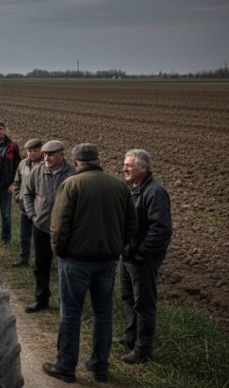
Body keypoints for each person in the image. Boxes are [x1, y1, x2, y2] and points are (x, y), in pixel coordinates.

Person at [42, 144, 137, 384]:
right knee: (103, 313)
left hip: (76, 260)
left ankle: (65, 367)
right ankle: (99, 366)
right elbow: (131, 223)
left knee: (70, 313)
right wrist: (118, 246)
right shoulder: (119, 186)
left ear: (75, 162)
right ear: (97, 160)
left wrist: (59, 251)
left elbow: (59, 225)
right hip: (108, 260)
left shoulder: (71, 184)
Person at [118, 149, 172, 364]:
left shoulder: (155, 192)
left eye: (129, 165)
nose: (124, 168)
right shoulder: (131, 188)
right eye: (125, 164)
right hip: (127, 255)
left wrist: (142, 251)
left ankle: (143, 350)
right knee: (128, 297)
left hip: (142, 259)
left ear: (143, 167)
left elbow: (161, 229)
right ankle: (130, 337)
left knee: (143, 304)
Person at [22, 140, 76, 313]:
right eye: (45, 154)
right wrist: (33, 216)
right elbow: (27, 194)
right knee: (41, 266)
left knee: (66, 267)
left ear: (61, 155)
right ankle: (41, 299)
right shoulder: (37, 171)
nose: (46, 158)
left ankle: (65, 302)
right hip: (42, 227)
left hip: (65, 229)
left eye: (51, 155)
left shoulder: (72, 173)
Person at [12, 138, 43, 267]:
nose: (31, 153)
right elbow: (17, 181)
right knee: (24, 235)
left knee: (40, 237)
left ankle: (41, 261)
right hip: (24, 206)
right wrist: (17, 196)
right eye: (29, 151)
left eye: (35, 151)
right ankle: (23, 259)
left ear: (40, 150)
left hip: (40, 208)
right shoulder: (23, 164)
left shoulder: (46, 165)